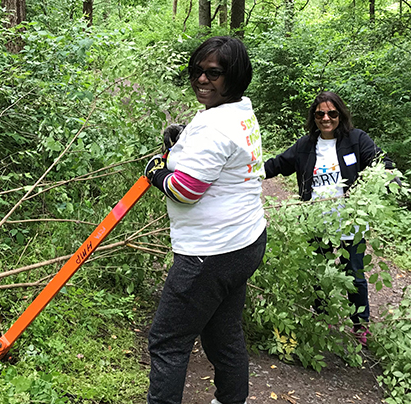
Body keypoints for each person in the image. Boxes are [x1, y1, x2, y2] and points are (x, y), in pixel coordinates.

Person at [144, 36, 267, 404]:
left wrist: (157, 174)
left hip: (208, 254)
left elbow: (185, 190)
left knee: (168, 341)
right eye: (197, 71)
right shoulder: (239, 110)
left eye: (213, 74)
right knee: (222, 331)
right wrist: (182, 142)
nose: (202, 79)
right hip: (245, 241)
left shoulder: (216, 127)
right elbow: (220, 153)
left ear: (235, 77)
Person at [263, 91, 394, 345]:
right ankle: (323, 318)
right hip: (317, 221)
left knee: (354, 274)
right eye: (320, 113)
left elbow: (379, 160)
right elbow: (277, 164)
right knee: (319, 273)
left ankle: (361, 325)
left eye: (332, 113)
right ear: (314, 117)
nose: (326, 118)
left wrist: (389, 174)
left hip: (351, 221)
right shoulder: (305, 146)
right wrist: (247, 172)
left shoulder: (356, 140)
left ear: (340, 115)